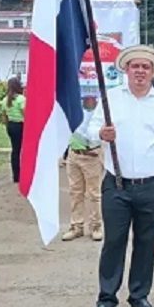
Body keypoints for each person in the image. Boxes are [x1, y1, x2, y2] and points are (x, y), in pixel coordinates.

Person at [87, 45, 154, 307]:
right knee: (114, 241)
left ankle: (139, 294)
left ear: (153, 71)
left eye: (145, 67)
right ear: (126, 70)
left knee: (146, 242)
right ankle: (107, 297)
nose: (140, 71)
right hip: (116, 184)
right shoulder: (111, 99)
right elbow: (88, 132)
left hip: (153, 183)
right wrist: (101, 133)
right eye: (135, 66)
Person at [62, 93, 104, 242]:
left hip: (91, 155)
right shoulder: (74, 108)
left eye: (91, 97)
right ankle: (76, 226)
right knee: (75, 192)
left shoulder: (100, 112)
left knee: (94, 193)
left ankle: (96, 226)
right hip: (74, 154)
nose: (88, 99)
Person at [2, 77, 25, 183]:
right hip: (20, 125)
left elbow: (4, 116)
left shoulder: (5, 100)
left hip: (11, 125)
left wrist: (7, 125)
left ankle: (16, 175)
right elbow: (25, 114)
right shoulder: (21, 99)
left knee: (15, 150)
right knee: (22, 150)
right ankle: (23, 173)